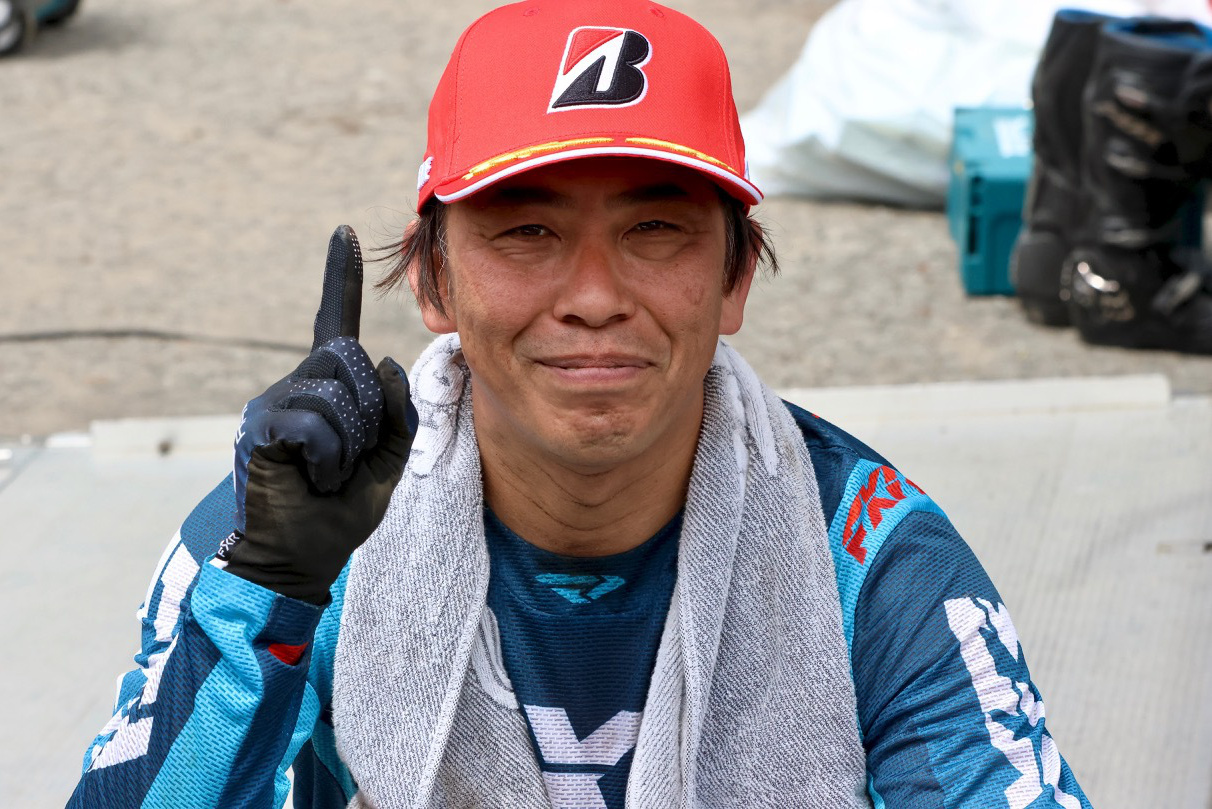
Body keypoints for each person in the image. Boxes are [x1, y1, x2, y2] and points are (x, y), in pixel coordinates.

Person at [68, 1, 1093, 807]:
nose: (596, 296)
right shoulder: (295, 533)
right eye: (527, 232)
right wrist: (269, 590)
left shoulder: (873, 553)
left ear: (734, 280)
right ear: (433, 284)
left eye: (655, 228)